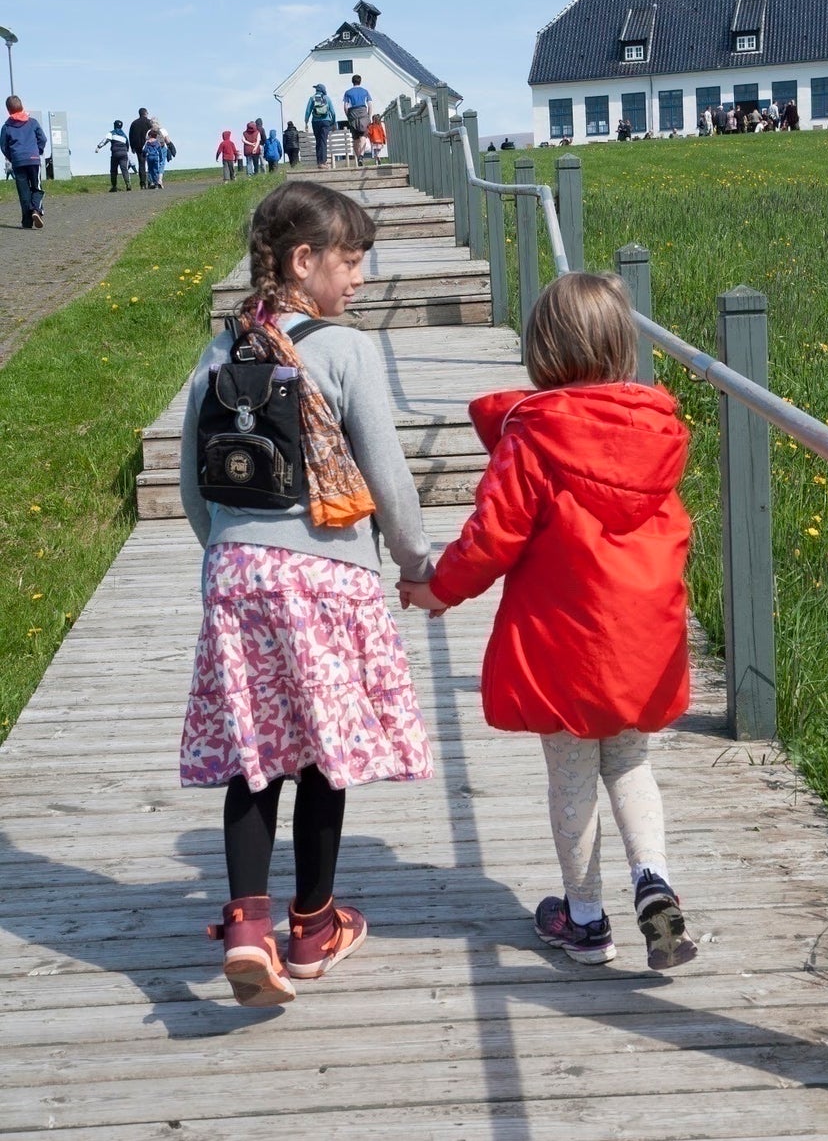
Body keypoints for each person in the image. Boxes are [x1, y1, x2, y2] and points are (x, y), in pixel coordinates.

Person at [178, 180, 435, 1007]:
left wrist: (232, 551)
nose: (358, 278)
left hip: (237, 574)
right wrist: (413, 558)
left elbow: (191, 487)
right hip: (327, 577)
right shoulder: (345, 349)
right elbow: (388, 480)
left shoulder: (221, 353)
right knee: (325, 752)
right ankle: (315, 927)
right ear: (303, 261)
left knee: (254, 751)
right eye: (350, 260)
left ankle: (247, 927)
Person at [399, 271, 699, 973]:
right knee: (628, 761)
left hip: (564, 638)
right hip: (639, 635)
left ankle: (586, 918)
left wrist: (437, 590)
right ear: (622, 347)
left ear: (543, 352)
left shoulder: (535, 437)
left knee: (570, 773)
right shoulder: (655, 430)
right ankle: (651, 878)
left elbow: (492, 536)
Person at [1, 95, 47, 229]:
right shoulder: (32, 122)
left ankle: (27, 222)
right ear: (22, 107)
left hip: (18, 161)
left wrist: (12, 157)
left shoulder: (6, 127)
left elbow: (4, 146)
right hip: (33, 160)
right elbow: (42, 139)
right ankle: (36, 210)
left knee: (24, 192)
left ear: (8, 111)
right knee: (37, 188)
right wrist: (37, 151)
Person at [342, 75, 372, 166]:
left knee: (355, 138)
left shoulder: (348, 92)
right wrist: (369, 117)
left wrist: (348, 117)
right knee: (363, 136)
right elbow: (370, 105)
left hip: (353, 114)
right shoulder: (365, 91)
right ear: (360, 81)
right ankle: (361, 156)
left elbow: (345, 106)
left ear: (352, 82)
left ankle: (358, 155)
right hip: (363, 113)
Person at [304, 84, 336, 169]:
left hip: (315, 122)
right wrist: (333, 123)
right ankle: (323, 162)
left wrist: (306, 122)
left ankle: (319, 162)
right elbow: (333, 112)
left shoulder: (312, 98)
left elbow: (308, 111)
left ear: (317, 90)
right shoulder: (327, 98)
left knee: (318, 141)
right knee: (323, 141)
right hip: (326, 122)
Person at [95, 119, 131, 191]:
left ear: (114, 125)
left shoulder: (111, 133)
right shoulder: (124, 135)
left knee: (113, 170)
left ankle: (114, 186)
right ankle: (128, 184)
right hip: (124, 154)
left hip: (115, 154)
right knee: (124, 169)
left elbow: (105, 141)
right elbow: (127, 145)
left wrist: (98, 147)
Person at [129, 107, 152, 189]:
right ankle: (150, 182)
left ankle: (142, 184)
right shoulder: (149, 122)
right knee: (150, 164)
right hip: (149, 145)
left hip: (138, 146)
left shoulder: (134, 123)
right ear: (145, 113)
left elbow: (131, 136)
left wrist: (132, 147)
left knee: (141, 164)